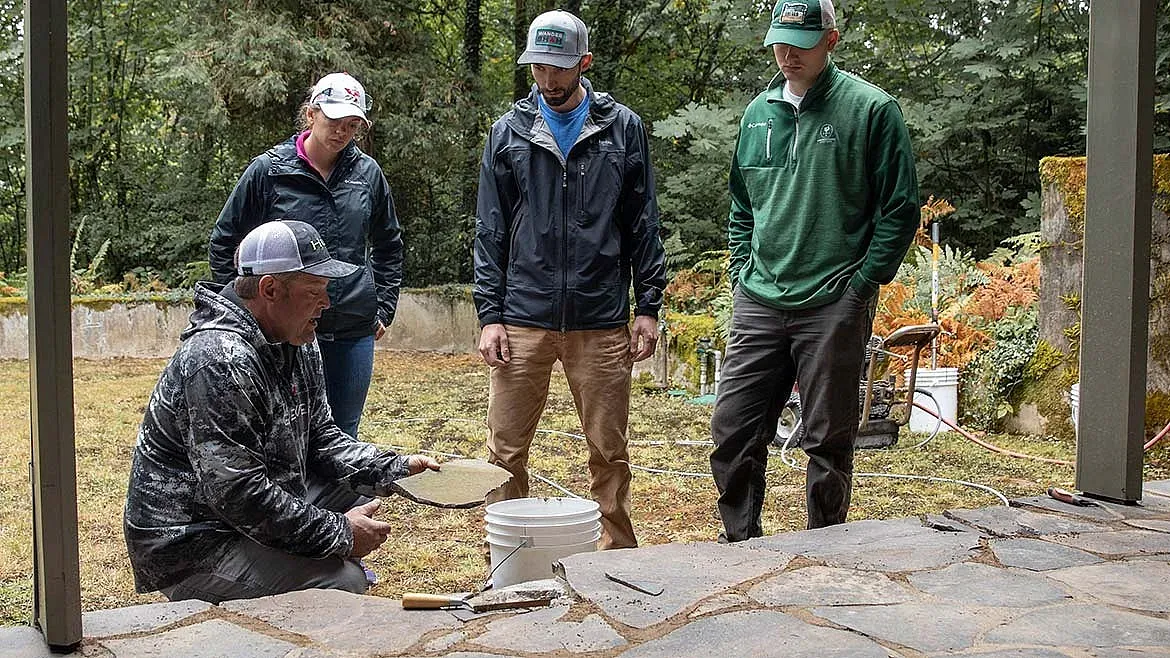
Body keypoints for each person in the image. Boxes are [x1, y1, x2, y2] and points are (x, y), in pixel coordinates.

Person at [125, 220, 440, 603]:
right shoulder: (219, 359)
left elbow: (322, 439)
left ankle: (296, 568)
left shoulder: (297, 338)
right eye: (314, 292)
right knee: (342, 583)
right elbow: (239, 495)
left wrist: (397, 470)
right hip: (193, 542)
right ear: (270, 289)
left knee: (357, 494)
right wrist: (340, 535)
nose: (326, 303)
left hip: (243, 511)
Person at [709, 0, 919, 539]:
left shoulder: (872, 111)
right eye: (779, 42)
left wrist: (863, 286)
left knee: (827, 437)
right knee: (733, 429)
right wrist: (740, 268)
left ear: (832, 40)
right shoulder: (758, 114)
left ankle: (825, 546)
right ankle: (740, 544)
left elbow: (899, 209)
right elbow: (740, 204)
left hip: (833, 300)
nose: (786, 55)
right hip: (759, 296)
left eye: (800, 45)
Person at [473, 10, 666, 550]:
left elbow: (642, 220)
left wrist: (647, 306)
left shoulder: (622, 127)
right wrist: (489, 315)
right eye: (539, 68)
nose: (549, 81)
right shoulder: (508, 131)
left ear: (584, 63)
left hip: (601, 318)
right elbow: (489, 228)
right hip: (522, 317)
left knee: (608, 448)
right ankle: (508, 556)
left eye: (559, 69)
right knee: (505, 450)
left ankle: (618, 556)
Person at [209, 72, 402, 440]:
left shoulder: (368, 175)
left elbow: (389, 244)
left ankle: (341, 501)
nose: (342, 132)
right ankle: (289, 500)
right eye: (333, 121)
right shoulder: (269, 171)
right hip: (282, 330)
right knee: (281, 431)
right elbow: (225, 241)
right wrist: (238, 311)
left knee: (342, 434)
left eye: (351, 125)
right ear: (311, 114)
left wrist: (383, 306)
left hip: (351, 327)